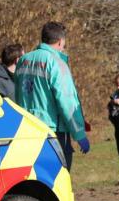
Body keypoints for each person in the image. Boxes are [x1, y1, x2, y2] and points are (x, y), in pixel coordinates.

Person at [15, 22, 90, 169]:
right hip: (52, 133)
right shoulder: (57, 63)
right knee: (57, 180)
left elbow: (17, 94)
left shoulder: (24, 60)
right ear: (60, 41)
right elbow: (66, 103)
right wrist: (79, 134)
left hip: (27, 129)